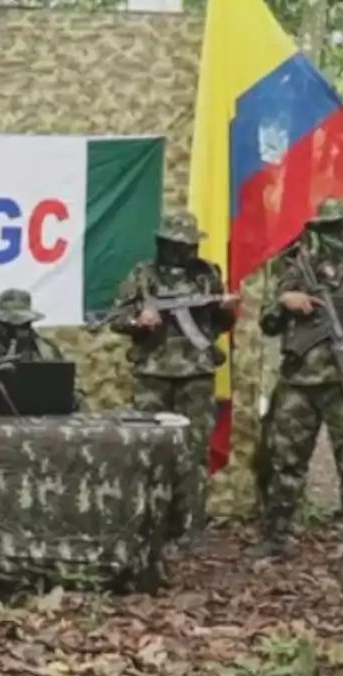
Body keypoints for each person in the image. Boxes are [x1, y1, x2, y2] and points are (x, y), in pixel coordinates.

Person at [256, 199, 343, 591]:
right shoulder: (295, 273)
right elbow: (267, 322)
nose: (334, 236)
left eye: (340, 228)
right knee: (284, 461)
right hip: (298, 382)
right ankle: (277, 536)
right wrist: (285, 302)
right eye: (326, 229)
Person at [110, 212, 237, 548]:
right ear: (164, 244)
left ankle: (192, 526)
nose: (185, 251)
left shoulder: (208, 275)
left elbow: (220, 325)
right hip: (152, 374)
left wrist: (226, 308)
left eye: (189, 245)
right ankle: (148, 525)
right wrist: (140, 321)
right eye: (178, 245)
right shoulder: (142, 275)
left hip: (196, 375)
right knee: (148, 452)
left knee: (194, 452)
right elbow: (116, 318)